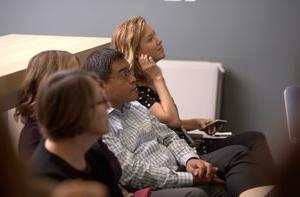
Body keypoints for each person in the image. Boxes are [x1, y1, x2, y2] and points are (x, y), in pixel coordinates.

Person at [83, 48, 270, 197]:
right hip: (155, 184)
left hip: (178, 166)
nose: (132, 79)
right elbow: (133, 173)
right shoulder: (101, 123)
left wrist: (191, 160)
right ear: (101, 85)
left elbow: (169, 137)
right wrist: (188, 178)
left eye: (130, 72)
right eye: (124, 74)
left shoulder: (136, 107)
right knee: (208, 191)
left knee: (237, 153)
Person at [111, 16, 276, 180]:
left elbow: (162, 125)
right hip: (183, 158)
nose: (159, 40)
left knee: (254, 138)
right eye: (150, 38)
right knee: (241, 151)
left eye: (155, 35)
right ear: (138, 52)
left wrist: (197, 123)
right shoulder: (136, 90)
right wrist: (158, 78)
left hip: (190, 146)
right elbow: (172, 120)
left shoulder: (147, 80)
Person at [30, 69, 122, 197]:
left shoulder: (94, 153)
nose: (108, 106)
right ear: (77, 112)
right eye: (102, 101)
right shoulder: (46, 182)